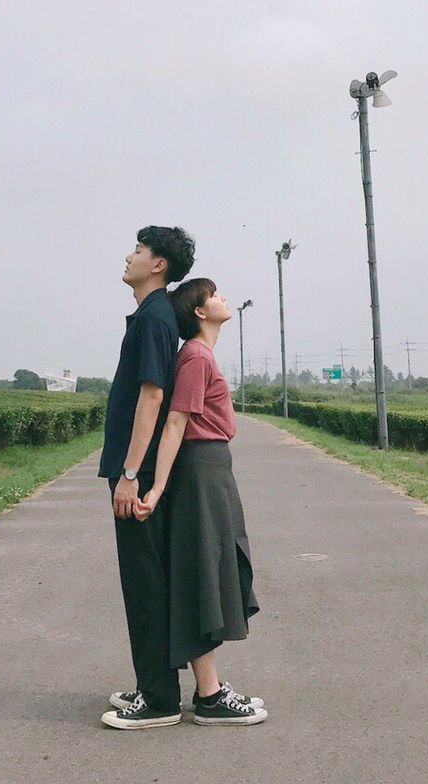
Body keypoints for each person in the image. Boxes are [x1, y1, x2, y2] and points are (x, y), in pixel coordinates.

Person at [131, 277, 266, 726]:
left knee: (209, 570)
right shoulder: (193, 356)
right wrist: (156, 487)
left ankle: (210, 690)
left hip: (211, 470)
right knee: (200, 574)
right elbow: (175, 423)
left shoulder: (201, 355)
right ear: (201, 312)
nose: (223, 297)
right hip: (198, 472)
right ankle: (209, 695)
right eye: (214, 294)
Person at [99, 226, 195, 731]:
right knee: (141, 581)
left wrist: (130, 475)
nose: (129, 255)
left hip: (138, 471)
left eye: (138, 249)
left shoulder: (156, 317)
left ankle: (159, 700)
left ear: (158, 265)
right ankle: (150, 685)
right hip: (134, 468)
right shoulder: (150, 316)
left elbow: (153, 398)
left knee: (145, 582)